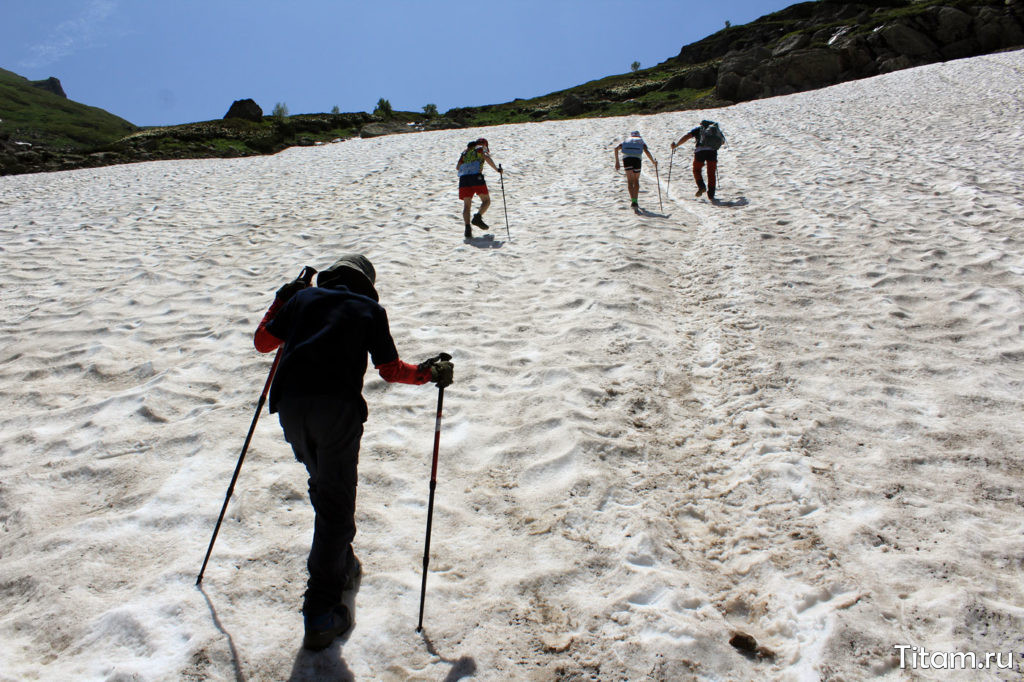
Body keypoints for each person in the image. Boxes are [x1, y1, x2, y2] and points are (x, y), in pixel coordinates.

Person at [253, 255, 454, 651]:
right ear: (366, 283)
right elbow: (390, 369)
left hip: (290, 407)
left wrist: (283, 298)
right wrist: (428, 373)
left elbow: (263, 343)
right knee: (336, 506)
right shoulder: (369, 310)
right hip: (337, 413)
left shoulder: (302, 301)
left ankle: (337, 557)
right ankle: (321, 612)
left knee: (323, 484)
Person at [457, 138, 502, 239]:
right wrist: (497, 169)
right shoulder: (481, 149)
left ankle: (467, 228)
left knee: (466, 205)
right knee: (486, 201)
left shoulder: (465, 152)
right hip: (476, 178)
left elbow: (458, 167)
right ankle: (477, 217)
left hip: (464, 179)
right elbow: (486, 157)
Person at [671, 120, 725, 200]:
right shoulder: (715, 130)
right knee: (711, 173)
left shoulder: (699, 129)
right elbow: (722, 142)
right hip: (712, 152)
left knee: (696, 169)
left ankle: (701, 186)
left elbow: (687, 136)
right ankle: (711, 194)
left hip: (700, 152)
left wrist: (676, 145)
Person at [614, 131, 657, 214]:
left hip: (627, 160)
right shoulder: (640, 141)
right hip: (637, 160)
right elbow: (646, 151)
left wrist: (617, 162)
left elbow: (616, 148)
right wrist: (653, 162)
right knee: (636, 180)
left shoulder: (626, 140)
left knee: (630, 181)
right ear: (638, 135)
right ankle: (636, 201)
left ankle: (633, 201)